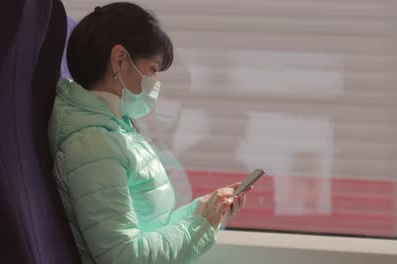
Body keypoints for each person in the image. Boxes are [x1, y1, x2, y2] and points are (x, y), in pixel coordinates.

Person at [48, 2, 251, 263]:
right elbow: (124, 257)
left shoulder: (117, 130)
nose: (155, 83)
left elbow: (151, 226)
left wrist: (203, 212)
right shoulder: (93, 145)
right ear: (120, 60)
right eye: (153, 70)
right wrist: (200, 226)